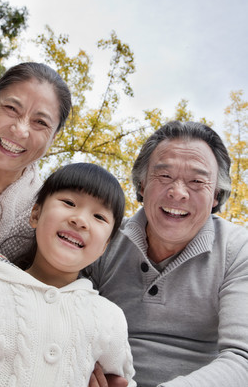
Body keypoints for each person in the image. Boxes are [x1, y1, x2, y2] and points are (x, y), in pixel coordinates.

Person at [86, 121, 248, 387]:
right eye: (164, 176)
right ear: (141, 185)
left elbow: (242, 358)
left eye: (197, 181)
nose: (178, 192)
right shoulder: (105, 236)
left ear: (216, 195)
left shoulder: (238, 250)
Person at [0, 162, 136, 386]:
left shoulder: (109, 319)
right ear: (35, 214)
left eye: (99, 217)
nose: (80, 220)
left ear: (105, 245)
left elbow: (123, 381)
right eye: (69, 202)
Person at [0, 61, 72, 269]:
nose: (20, 130)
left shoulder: (42, 214)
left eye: (40, 122)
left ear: (53, 139)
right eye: (11, 108)